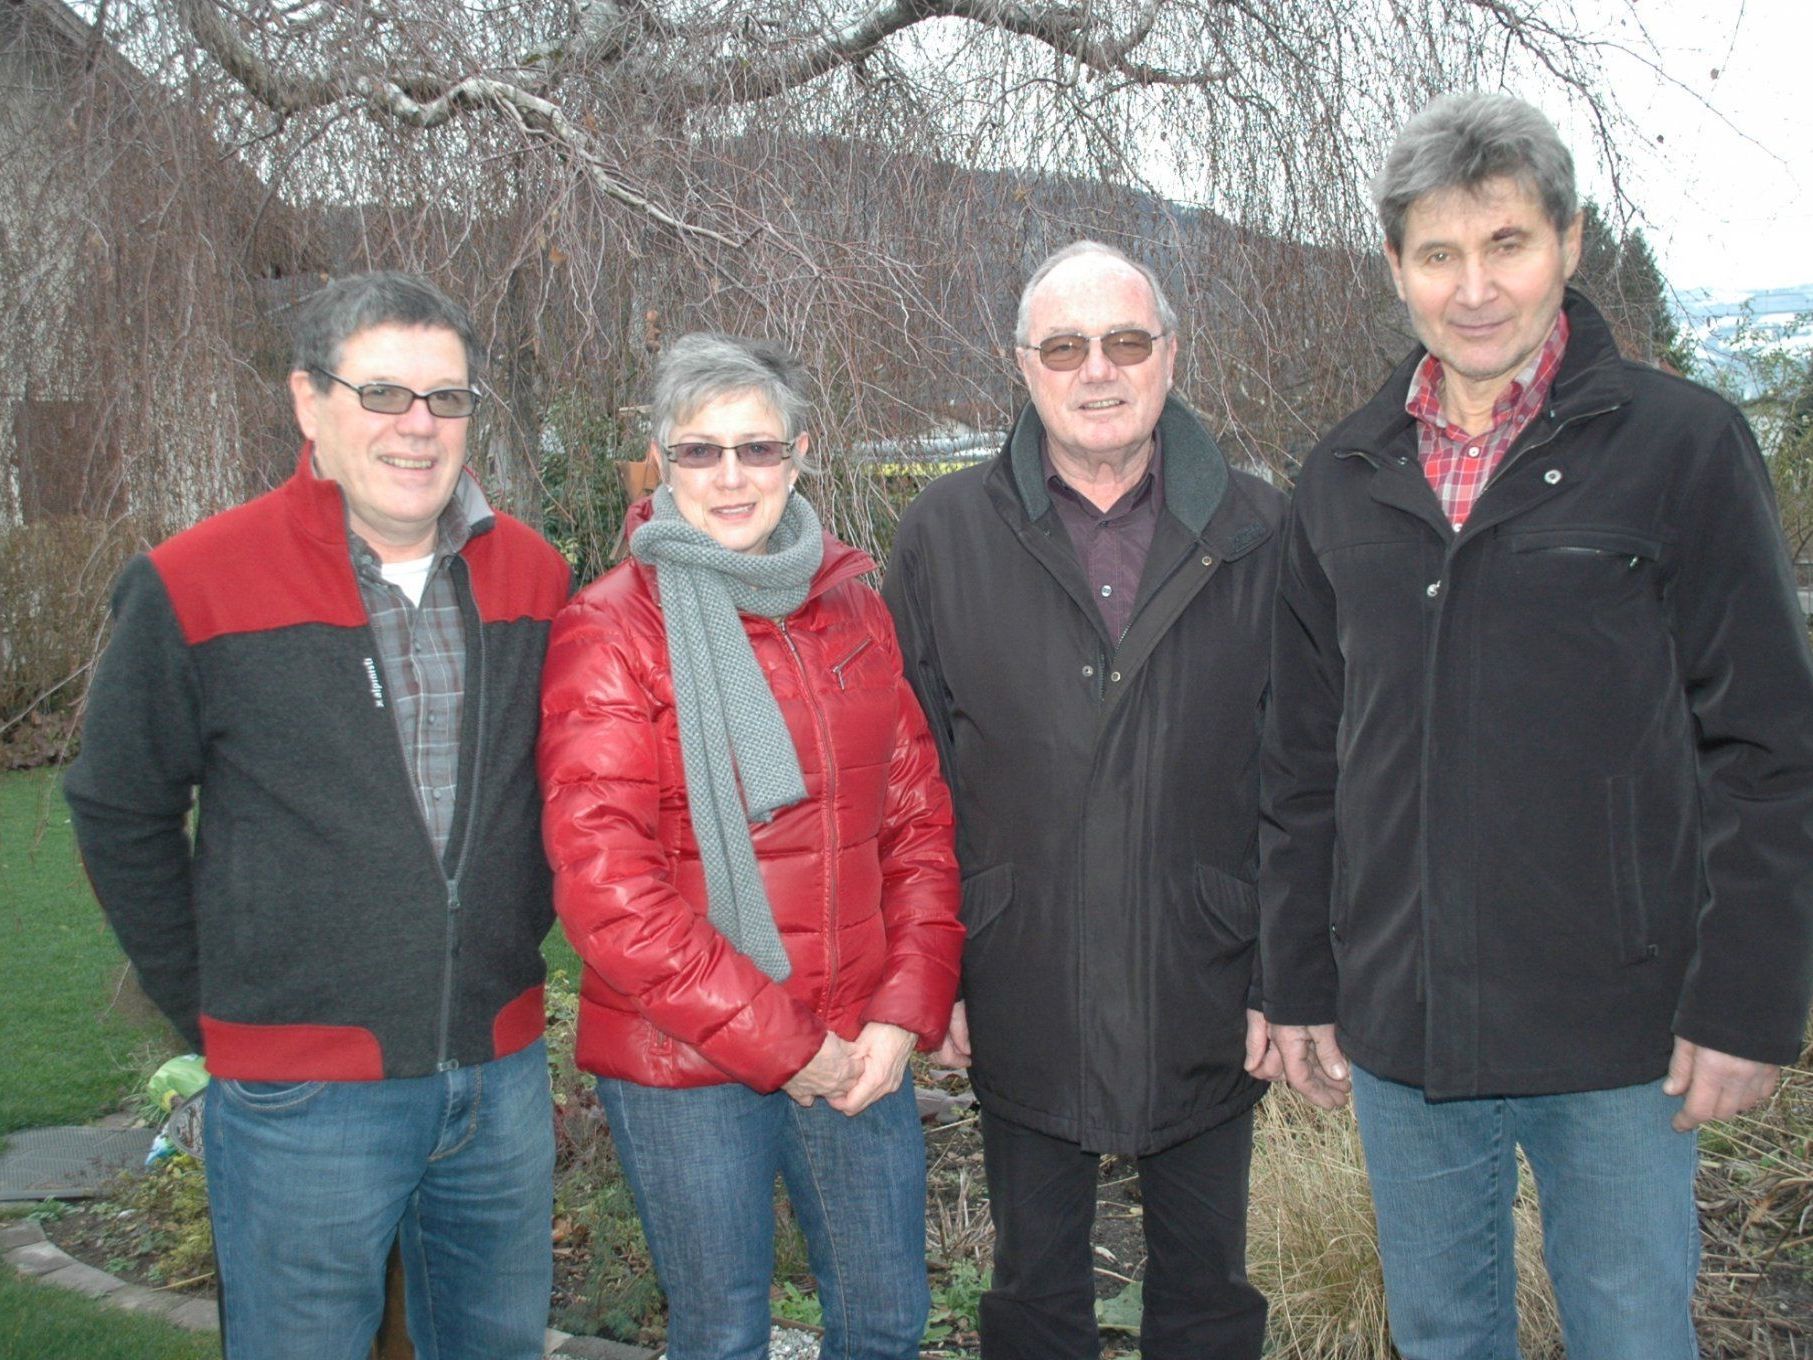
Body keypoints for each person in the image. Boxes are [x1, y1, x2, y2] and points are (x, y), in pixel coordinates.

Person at [1259, 91, 1813, 1359]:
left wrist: (1745, 1001)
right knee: (1443, 1332)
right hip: (1406, 1022)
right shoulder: (1342, 478)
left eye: (1504, 243)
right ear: (1394, 267)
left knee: (1630, 1331)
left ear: (1566, 242)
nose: (1473, 288)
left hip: (1619, 1020)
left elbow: (1770, 751)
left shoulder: (1682, 449)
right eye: (1438, 253)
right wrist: (1295, 977)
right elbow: (1299, 760)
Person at [64, 271, 572, 1360]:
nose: (417, 427)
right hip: (303, 1098)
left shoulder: (533, 574)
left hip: (497, 1075)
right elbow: (116, 804)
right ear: (309, 402)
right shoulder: (194, 580)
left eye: (447, 397)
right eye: (382, 392)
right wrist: (211, 1006)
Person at [882, 240, 1283, 1359]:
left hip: (1205, 966)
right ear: (1022, 365)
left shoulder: (1260, 530)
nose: (1095, 370)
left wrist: (1285, 973)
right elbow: (910, 780)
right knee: (1032, 1300)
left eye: (1123, 341)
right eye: (1065, 346)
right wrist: (934, 970)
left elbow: (1302, 774)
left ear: (1168, 354)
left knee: (1207, 1301)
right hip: (1022, 972)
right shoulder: (946, 533)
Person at [537, 333, 964, 1360]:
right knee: (721, 1330)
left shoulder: (852, 606)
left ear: (799, 453)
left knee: (885, 1321)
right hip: (681, 1057)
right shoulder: (610, 632)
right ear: (660, 461)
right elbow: (610, 892)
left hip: (860, 1047)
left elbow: (915, 822)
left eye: (757, 448)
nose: (730, 476)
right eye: (700, 451)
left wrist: (904, 1012)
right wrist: (788, 1046)